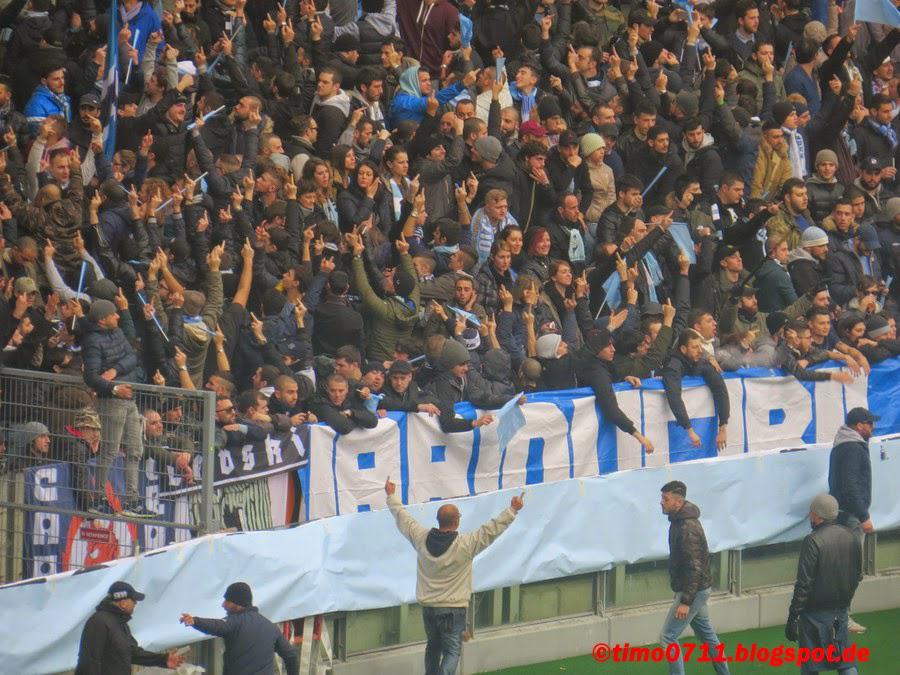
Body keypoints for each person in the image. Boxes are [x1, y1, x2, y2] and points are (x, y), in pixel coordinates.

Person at [385, 478, 523, 675]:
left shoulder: (420, 537)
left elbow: (403, 517)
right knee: (452, 651)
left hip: (429, 608)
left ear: (438, 520)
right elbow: (491, 530)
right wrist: (512, 510)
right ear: (457, 521)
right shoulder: (465, 545)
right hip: (453, 609)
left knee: (433, 647)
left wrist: (391, 495)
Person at [784, 495, 862, 674]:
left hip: (813, 615)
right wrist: (845, 599)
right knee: (845, 661)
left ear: (818, 515)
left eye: (811, 512)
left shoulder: (812, 541)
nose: (809, 516)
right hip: (840, 611)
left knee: (811, 665)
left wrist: (792, 617)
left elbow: (803, 584)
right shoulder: (851, 536)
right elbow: (858, 575)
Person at [659, 481, 730, 675]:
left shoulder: (686, 527)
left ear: (678, 501)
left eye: (665, 499)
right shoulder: (679, 521)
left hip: (694, 591)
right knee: (708, 637)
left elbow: (694, 568)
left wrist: (685, 601)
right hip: (698, 588)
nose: (661, 502)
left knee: (668, 637)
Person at [828, 406, 877, 634]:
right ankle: (840, 618)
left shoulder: (844, 445)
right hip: (851, 517)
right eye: (870, 424)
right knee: (850, 571)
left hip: (845, 515)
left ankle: (838, 616)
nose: (873, 427)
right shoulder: (852, 448)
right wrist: (863, 516)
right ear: (860, 426)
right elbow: (850, 486)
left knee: (845, 570)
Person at [180, 582, 299, 675]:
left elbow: (218, 625)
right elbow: (291, 655)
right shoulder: (270, 627)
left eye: (227, 601)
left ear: (238, 602)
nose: (223, 605)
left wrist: (195, 621)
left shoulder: (235, 622)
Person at [75, 581, 184, 674]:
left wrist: (163, 659)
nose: (135, 603)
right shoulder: (98, 622)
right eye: (133, 600)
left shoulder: (120, 623)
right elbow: (89, 662)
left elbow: (133, 653)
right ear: (123, 603)